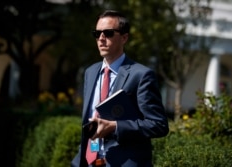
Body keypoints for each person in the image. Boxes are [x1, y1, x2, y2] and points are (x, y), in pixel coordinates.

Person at [71, 10, 169, 167]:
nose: (101, 39)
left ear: (124, 38)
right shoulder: (90, 72)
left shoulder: (141, 75)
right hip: (88, 161)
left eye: (108, 33)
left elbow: (158, 125)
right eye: (97, 34)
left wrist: (114, 127)